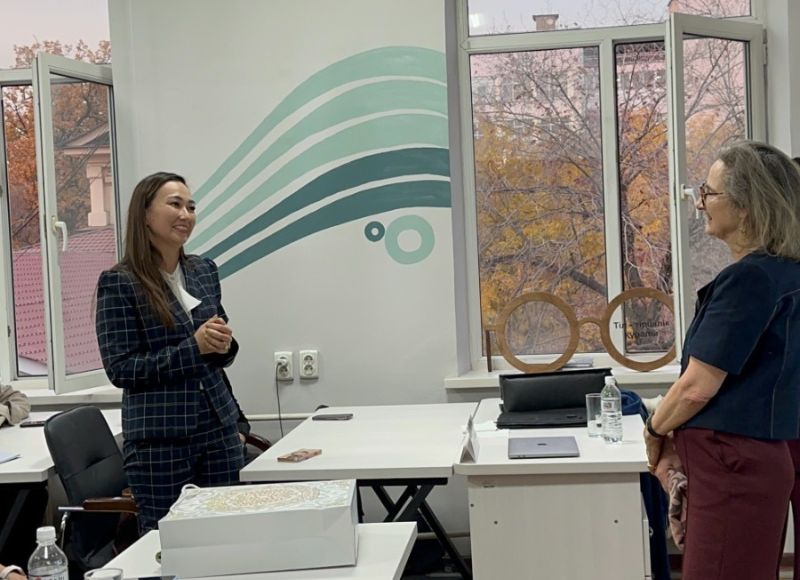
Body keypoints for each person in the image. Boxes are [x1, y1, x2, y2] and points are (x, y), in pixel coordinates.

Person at [643, 141, 800, 580]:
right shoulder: (787, 273)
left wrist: (654, 429)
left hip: (734, 466)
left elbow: (697, 387)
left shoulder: (750, 278)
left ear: (747, 207)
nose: (700, 204)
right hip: (755, 461)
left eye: (709, 193)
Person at [95, 171, 244, 533]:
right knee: (169, 543)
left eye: (191, 207)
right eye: (175, 204)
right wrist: (194, 347)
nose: (186, 215)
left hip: (218, 430)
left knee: (227, 538)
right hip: (161, 441)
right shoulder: (120, 282)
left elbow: (217, 352)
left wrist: (223, 345)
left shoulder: (203, 270)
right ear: (145, 214)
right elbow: (121, 369)